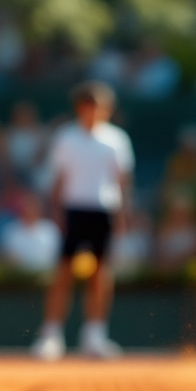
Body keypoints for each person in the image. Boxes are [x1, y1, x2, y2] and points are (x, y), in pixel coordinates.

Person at [31, 81, 134, 360]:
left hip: (104, 212)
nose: (93, 111)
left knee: (101, 274)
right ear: (80, 108)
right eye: (88, 106)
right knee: (63, 273)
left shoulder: (117, 140)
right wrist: (56, 212)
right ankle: (51, 336)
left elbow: (122, 182)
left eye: (99, 106)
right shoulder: (66, 138)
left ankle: (95, 336)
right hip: (73, 210)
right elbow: (59, 179)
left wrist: (124, 216)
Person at [0, 194, 61, 273]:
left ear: (39, 209)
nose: (29, 210)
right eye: (27, 206)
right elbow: (6, 257)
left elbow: (56, 257)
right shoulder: (10, 230)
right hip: (18, 276)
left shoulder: (51, 229)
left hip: (45, 276)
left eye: (32, 206)